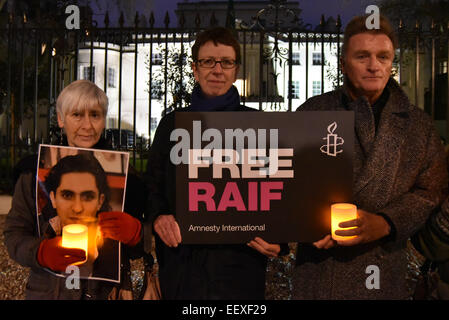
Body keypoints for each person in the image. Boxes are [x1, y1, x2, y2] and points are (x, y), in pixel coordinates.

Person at [293, 15, 448, 299]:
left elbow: (430, 191)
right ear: (343, 64)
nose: (374, 65)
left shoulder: (419, 125)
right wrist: (308, 221)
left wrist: (386, 222)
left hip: (384, 268)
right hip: (320, 271)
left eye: (383, 56)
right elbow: (288, 180)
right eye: (362, 56)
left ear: (392, 63)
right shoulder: (312, 111)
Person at [145, 27, 289, 300]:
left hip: (241, 267)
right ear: (195, 68)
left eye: (226, 62)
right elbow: (153, 184)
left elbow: (281, 188)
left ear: (236, 70)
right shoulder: (171, 125)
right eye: (208, 61)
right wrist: (158, 216)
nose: (217, 69)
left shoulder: (259, 125)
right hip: (183, 265)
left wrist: (279, 242)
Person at [3, 80, 151, 299]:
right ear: (61, 119)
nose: (87, 126)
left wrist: (138, 234)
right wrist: (41, 252)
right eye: (77, 115)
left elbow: (148, 239)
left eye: (95, 115)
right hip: (50, 292)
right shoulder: (32, 173)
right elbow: (14, 234)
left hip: (108, 292)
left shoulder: (128, 176)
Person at [43, 152, 123, 281]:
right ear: (53, 198)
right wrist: (40, 253)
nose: (77, 208)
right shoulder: (42, 232)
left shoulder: (113, 245)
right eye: (67, 195)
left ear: (100, 201)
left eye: (87, 197)